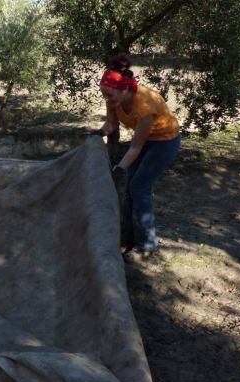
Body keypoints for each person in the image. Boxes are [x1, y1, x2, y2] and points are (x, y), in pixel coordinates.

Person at [96, 54, 181, 256]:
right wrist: (98, 133)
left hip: (165, 142)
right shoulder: (114, 98)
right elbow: (111, 124)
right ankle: (128, 238)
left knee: (139, 188)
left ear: (125, 89)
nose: (107, 99)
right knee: (130, 190)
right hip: (146, 140)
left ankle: (148, 246)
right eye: (104, 94)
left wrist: (119, 168)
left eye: (110, 95)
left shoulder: (144, 107)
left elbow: (135, 147)